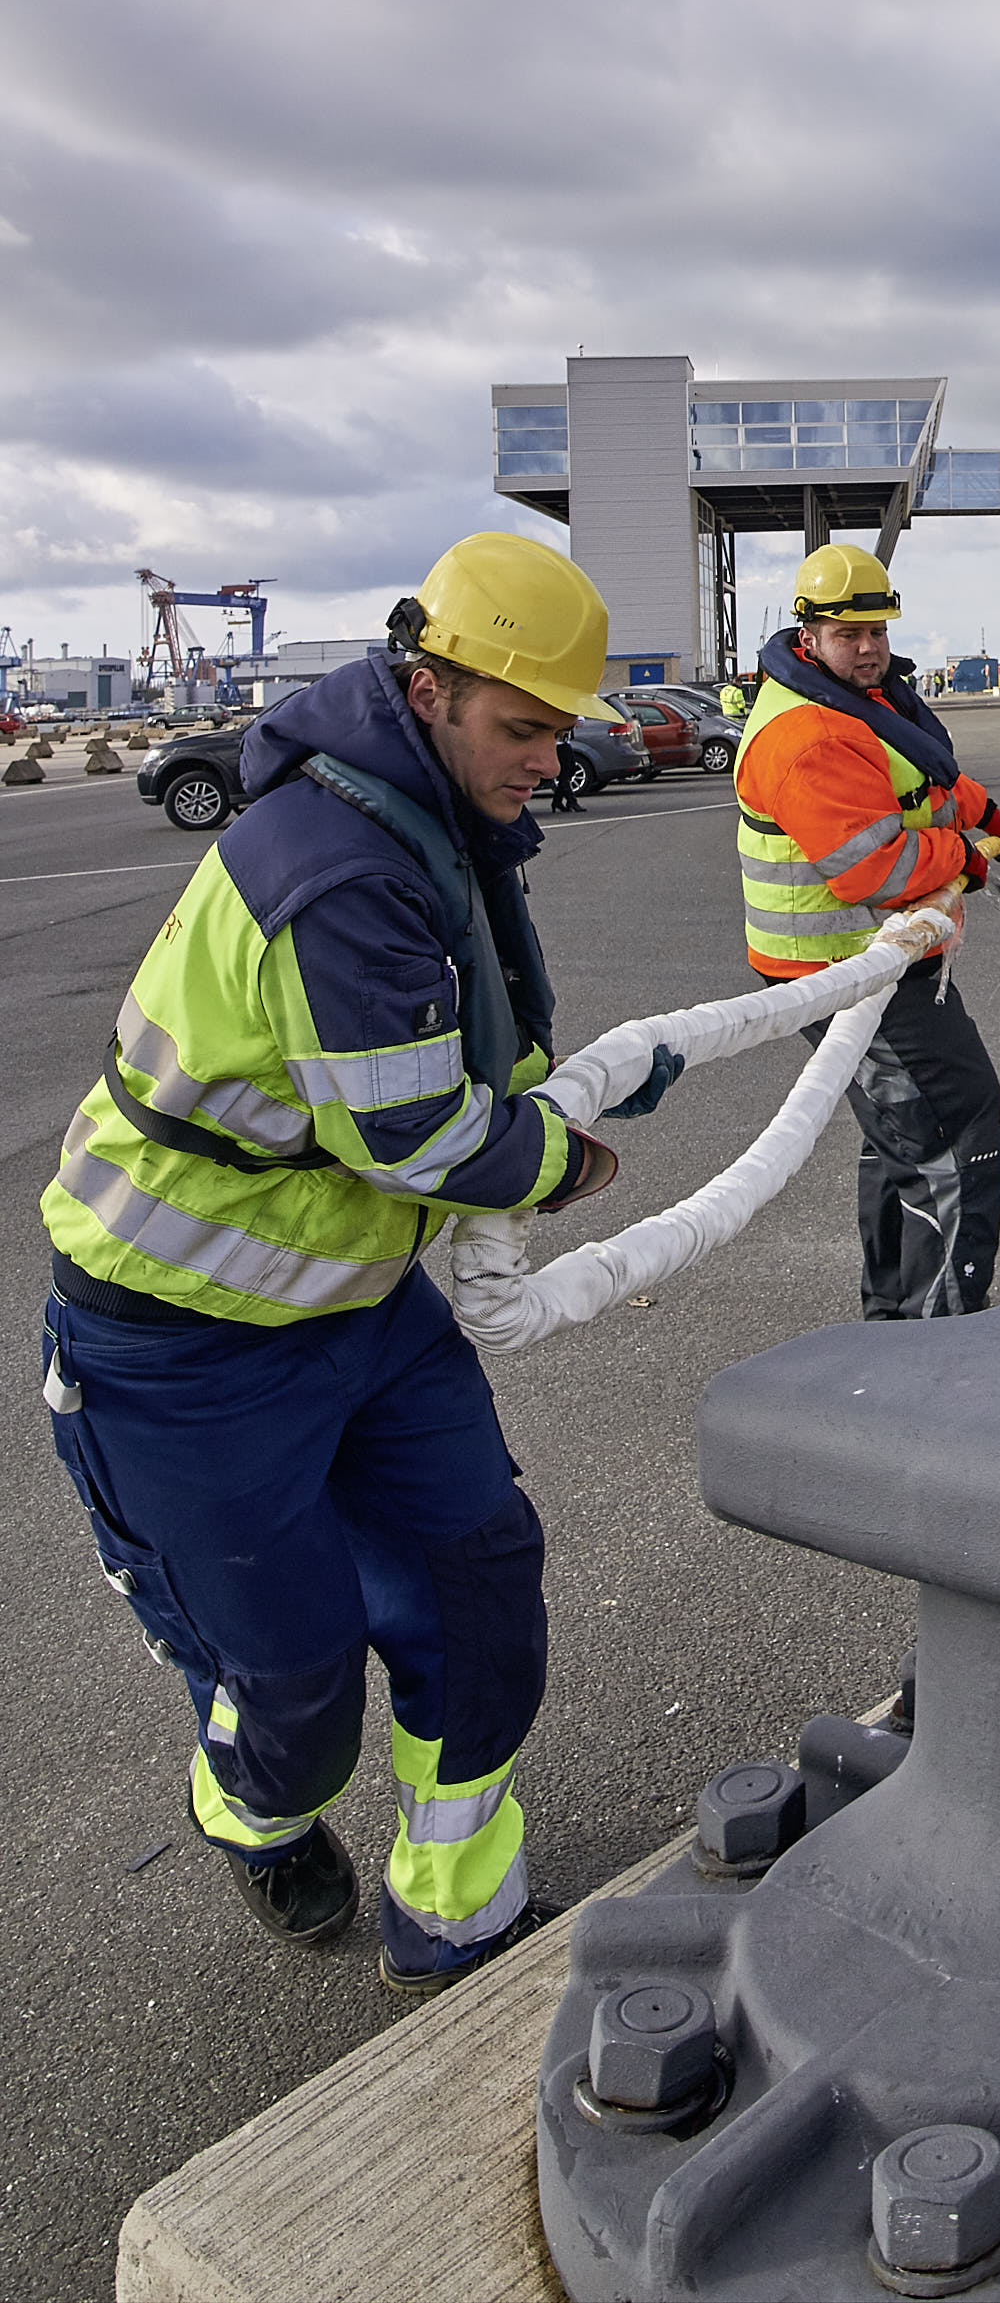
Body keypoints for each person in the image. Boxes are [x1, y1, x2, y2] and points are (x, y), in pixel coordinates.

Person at [39, 533, 655, 1991]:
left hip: (358, 1307)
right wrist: (565, 1159)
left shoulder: (423, 821)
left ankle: (459, 1914)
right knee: (294, 1675)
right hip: (182, 1341)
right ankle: (253, 1808)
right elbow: (418, 1137)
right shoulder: (335, 866)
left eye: (559, 731)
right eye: (520, 729)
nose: (543, 761)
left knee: (477, 1582)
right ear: (426, 686)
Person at [734, 543, 1000, 1320]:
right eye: (847, 633)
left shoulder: (860, 702)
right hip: (841, 968)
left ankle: (895, 1320)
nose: (867, 648)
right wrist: (965, 852)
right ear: (808, 634)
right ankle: (937, 1336)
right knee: (951, 1127)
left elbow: (919, 776)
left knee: (907, 1132)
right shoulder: (808, 735)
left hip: (877, 959)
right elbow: (876, 869)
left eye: (877, 631)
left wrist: (982, 811)